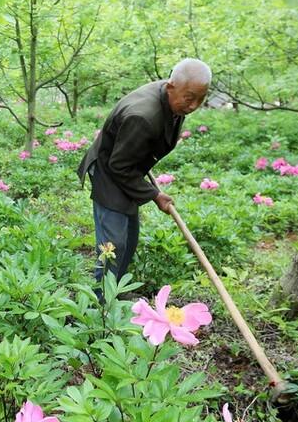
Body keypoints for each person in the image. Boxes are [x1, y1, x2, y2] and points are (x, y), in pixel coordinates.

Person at [77, 58, 211, 284]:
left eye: (201, 99)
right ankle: (99, 305)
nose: (193, 106)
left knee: (129, 239)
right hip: (110, 174)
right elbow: (118, 166)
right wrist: (154, 195)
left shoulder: (172, 97)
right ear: (170, 87)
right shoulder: (143, 116)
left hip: (128, 167)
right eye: (189, 98)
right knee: (113, 246)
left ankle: (114, 292)